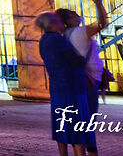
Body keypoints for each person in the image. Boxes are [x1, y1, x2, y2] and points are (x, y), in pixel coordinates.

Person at [37, 10, 97, 156]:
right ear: (52, 24)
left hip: (57, 89)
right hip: (72, 89)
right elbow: (76, 61)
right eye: (57, 21)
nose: (61, 23)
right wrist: (86, 54)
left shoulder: (44, 40)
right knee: (77, 130)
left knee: (61, 128)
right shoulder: (59, 40)